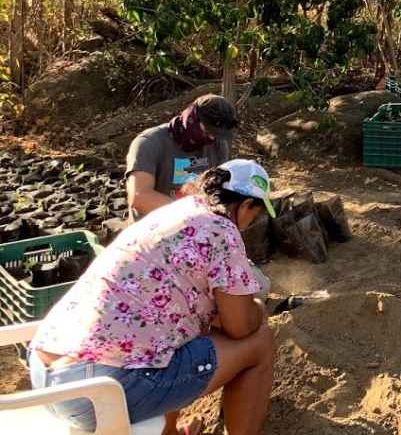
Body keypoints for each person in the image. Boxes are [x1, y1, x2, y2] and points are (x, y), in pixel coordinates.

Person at [29, 160, 278, 435]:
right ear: (244, 206)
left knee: (184, 331)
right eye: (254, 215)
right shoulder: (222, 230)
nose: (249, 223)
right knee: (260, 340)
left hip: (46, 377)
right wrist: (255, 308)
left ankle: (167, 431)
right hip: (101, 392)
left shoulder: (177, 211)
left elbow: (177, 320)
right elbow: (239, 326)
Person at [127, 93, 238, 222]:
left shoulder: (218, 144)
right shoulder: (149, 144)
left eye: (216, 134)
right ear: (192, 119)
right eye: (207, 132)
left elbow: (220, 190)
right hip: (152, 232)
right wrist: (189, 216)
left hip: (197, 229)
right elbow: (139, 196)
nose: (212, 138)